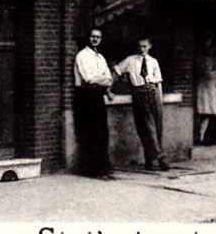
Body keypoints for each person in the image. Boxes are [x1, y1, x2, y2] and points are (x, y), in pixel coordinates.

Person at [113, 36, 168, 171]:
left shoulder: (154, 61)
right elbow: (116, 71)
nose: (142, 49)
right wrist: (111, 87)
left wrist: (159, 98)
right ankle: (161, 158)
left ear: (150, 46)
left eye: (144, 46)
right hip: (139, 92)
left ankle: (149, 159)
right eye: (139, 46)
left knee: (156, 127)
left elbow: (158, 81)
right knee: (147, 127)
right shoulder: (130, 60)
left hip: (153, 92)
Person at [72, 27, 115, 179]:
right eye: (93, 36)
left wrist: (101, 80)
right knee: (91, 132)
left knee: (102, 132)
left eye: (98, 37)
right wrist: (101, 79)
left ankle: (103, 167)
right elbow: (88, 78)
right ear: (88, 38)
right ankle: (94, 170)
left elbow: (109, 78)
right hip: (86, 97)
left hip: (98, 96)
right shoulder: (82, 56)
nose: (95, 39)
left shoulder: (100, 58)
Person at [195, 31, 216, 145]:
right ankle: (201, 135)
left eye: (209, 39)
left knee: (213, 111)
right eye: (206, 39)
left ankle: (208, 136)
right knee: (204, 111)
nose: (207, 42)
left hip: (213, 85)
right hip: (203, 85)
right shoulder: (199, 55)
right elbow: (198, 68)